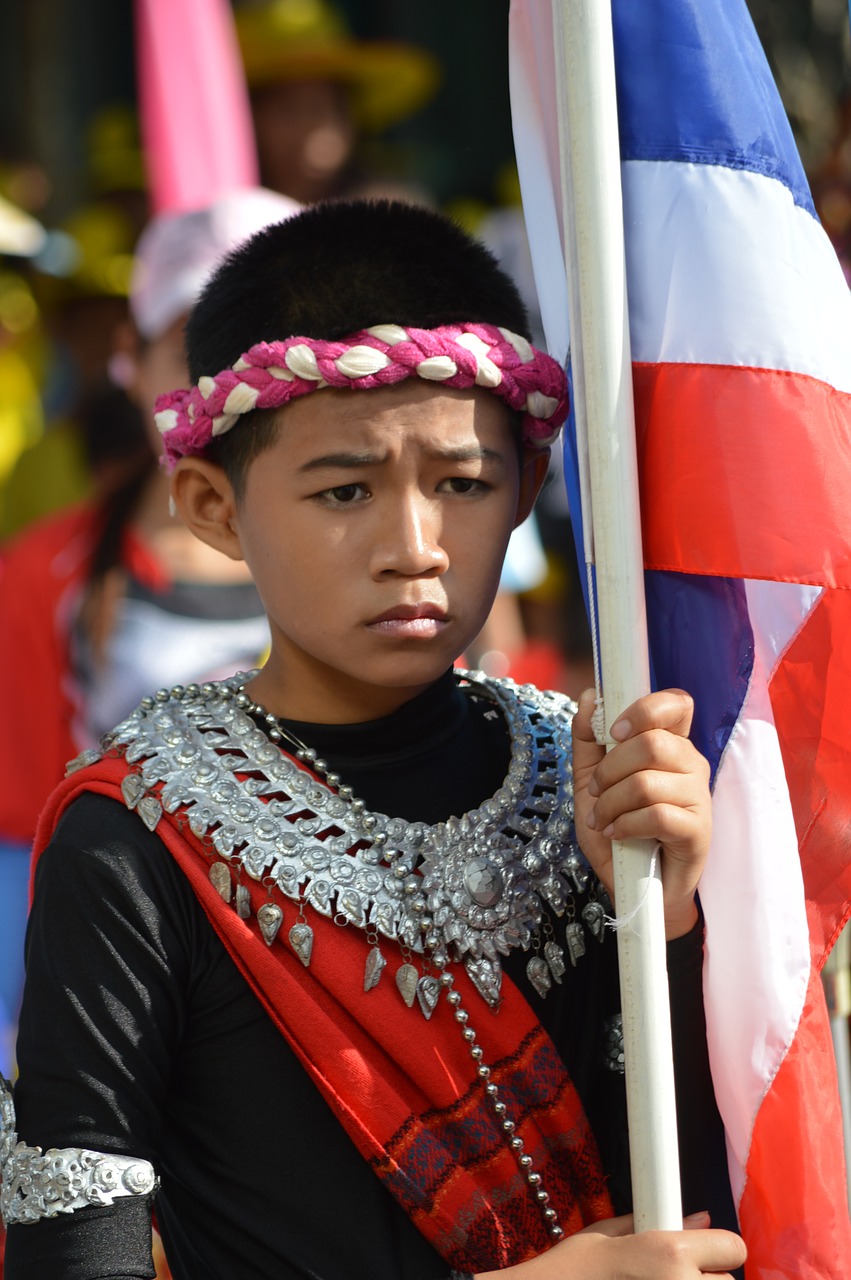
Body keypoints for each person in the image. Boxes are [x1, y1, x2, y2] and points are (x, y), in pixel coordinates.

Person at [1, 199, 746, 1280]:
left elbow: (711, 1190)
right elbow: (74, 1261)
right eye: (344, 488)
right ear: (214, 503)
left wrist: (666, 919)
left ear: (527, 489)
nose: (415, 547)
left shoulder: (595, 782)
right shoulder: (132, 841)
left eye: (462, 485)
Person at [0, 186, 297, 1078]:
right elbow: (21, 847)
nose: (227, 386)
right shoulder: (38, 573)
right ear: (130, 359)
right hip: (119, 1015)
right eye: (193, 348)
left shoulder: (382, 558)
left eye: (259, 351)